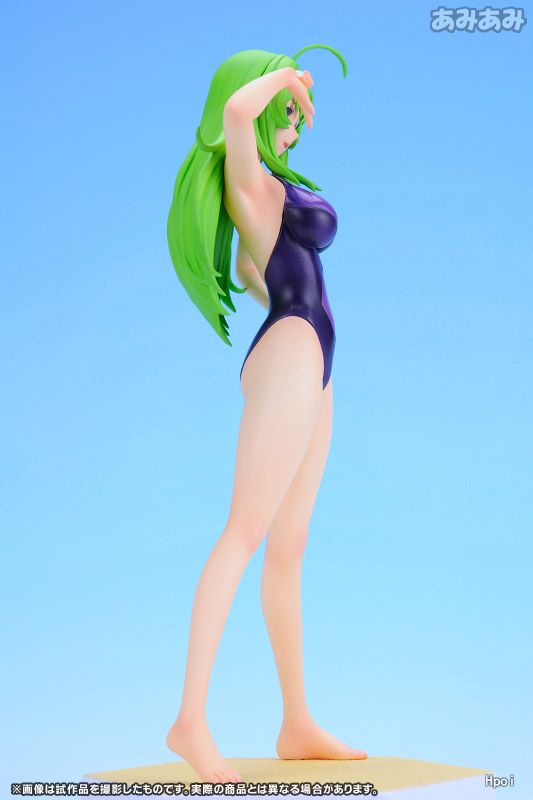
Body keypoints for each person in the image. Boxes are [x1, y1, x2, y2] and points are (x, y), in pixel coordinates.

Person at [165, 44, 367, 784]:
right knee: (244, 532)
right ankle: (190, 720)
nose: (294, 124)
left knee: (288, 545)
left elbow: (260, 272)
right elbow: (231, 111)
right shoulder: (245, 181)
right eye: (286, 113)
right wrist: (283, 76)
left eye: (296, 117)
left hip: (312, 351)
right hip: (292, 348)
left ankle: (296, 721)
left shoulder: (272, 188)